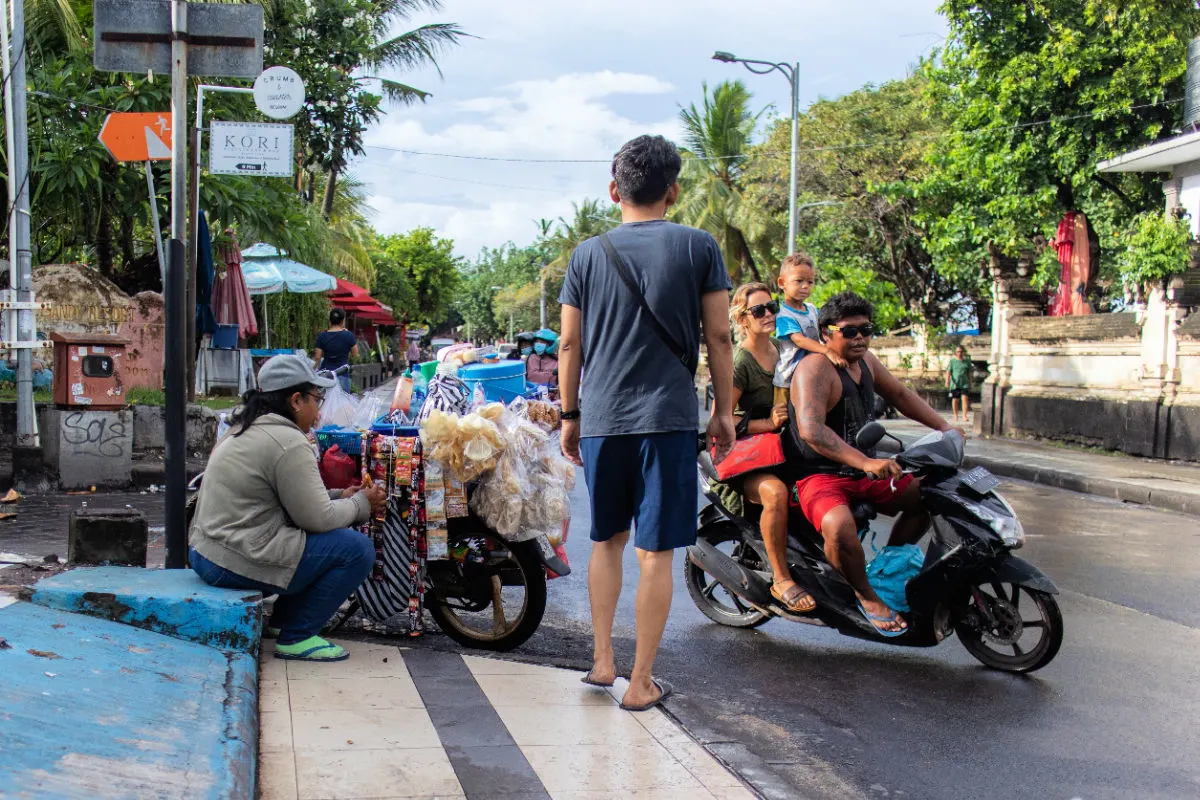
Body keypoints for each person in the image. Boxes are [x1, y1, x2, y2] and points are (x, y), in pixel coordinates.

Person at [559, 134, 735, 711]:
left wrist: (569, 415)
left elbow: (568, 346)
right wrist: (725, 411)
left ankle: (602, 660)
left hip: (604, 419)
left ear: (615, 190)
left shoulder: (586, 255)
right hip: (668, 419)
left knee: (606, 540)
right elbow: (719, 336)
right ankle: (641, 682)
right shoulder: (699, 246)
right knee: (655, 552)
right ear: (674, 191)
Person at [188, 354, 387, 661]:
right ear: (296, 400)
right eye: (316, 400)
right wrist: (361, 503)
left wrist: (338, 495)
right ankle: (298, 635)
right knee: (356, 550)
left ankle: (282, 623)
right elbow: (317, 519)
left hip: (206, 552)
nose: (318, 413)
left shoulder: (245, 427)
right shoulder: (288, 441)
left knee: (320, 542)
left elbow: (289, 499)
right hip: (230, 560)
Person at [789, 292, 959, 636]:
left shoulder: (865, 362)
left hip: (865, 469)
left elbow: (900, 395)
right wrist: (865, 461)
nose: (860, 338)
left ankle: (886, 568)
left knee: (927, 494)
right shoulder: (814, 369)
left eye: (867, 330)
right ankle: (866, 595)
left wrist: (946, 428)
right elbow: (812, 431)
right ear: (826, 333)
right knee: (838, 526)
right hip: (819, 476)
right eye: (850, 332)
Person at [727, 282, 815, 613]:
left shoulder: (782, 349)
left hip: (783, 450)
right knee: (776, 493)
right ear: (743, 319)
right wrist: (767, 423)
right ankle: (781, 579)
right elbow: (722, 419)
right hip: (747, 459)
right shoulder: (741, 362)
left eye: (772, 307)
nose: (768, 314)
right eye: (758, 310)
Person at [774, 253, 846, 393]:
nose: (805, 286)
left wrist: (840, 329)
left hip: (811, 371)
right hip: (788, 379)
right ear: (782, 283)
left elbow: (825, 327)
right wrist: (827, 351)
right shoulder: (784, 315)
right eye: (799, 281)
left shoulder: (812, 309)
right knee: (783, 413)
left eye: (810, 282)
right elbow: (799, 340)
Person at [313, 309, 359, 392]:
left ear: (330, 321)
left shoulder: (322, 336)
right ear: (342, 321)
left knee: (325, 403)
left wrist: (312, 371)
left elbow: (317, 357)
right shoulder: (349, 335)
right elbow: (355, 354)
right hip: (342, 375)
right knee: (343, 402)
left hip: (326, 376)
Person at [946, 345, 972, 423]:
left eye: (961, 351)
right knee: (955, 400)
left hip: (964, 383)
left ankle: (964, 415)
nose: (959, 353)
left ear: (963, 352)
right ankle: (955, 415)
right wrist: (947, 381)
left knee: (965, 399)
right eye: (958, 351)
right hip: (955, 383)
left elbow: (969, 373)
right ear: (955, 352)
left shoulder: (967, 361)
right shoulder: (952, 361)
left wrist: (970, 383)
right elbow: (949, 371)